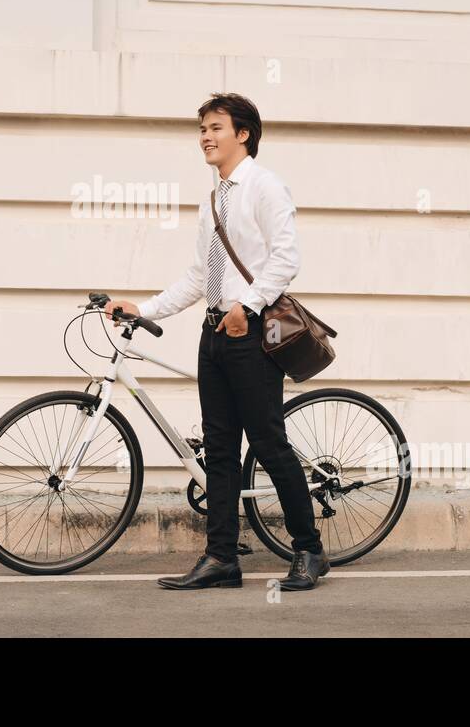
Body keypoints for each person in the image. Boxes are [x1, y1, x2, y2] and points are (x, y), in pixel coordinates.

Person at [101, 93, 328, 592]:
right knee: (220, 451)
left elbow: (286, 258)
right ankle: (221, 558)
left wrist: (247, 308)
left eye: (216, 127)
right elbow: (200, 277)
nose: (205, 136)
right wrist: (145, 307)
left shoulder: (265, 187)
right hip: (214, 335)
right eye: (202, 128)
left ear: (242, 134)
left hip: (252, 334)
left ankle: (308, 548)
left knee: (269, 443)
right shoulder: (214, 199)